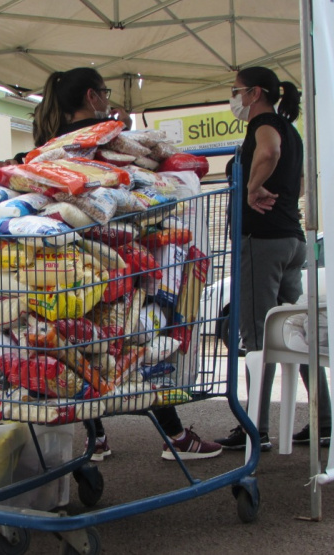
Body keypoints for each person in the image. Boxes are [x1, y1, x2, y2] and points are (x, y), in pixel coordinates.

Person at [29, 67, 221, 462]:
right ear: (91, 97)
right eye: (104, 92)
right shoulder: (111, 138)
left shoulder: (51, 147)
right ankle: (175, 434)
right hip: (125, 253)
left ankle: (96, 437)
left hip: (75, 261)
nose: (107, 98)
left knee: (86, 346)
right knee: (138, 342)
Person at [214, 66, 331, 452]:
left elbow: (269, 150)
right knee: (298, 336)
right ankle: (323, 420)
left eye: (237, 90)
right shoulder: (289, 128)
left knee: (258, 337)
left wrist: (250, 188)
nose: (234, 97)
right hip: (291, 239)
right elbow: (297, 181)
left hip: (261, 241)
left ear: (255, 92)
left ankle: (255, 428)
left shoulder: (264, 123)